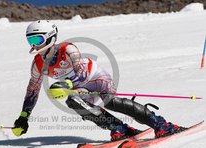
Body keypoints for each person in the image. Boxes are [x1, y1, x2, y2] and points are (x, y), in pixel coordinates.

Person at [12, 20, 184, 140]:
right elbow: (32, 91)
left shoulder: (68, 48)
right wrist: (23, 117)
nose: (33, 45)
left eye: (37, 40)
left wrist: (66, 84)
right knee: (73, 102)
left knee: (109, 101)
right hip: (78, 88)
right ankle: (119, 128)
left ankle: (161, 124)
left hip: (94, 78)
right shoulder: (37, 64)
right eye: (30, 40)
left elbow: (81, 73)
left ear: (50, 38)